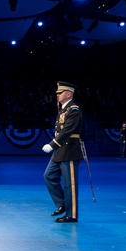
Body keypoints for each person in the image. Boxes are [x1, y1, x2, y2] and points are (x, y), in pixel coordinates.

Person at [42, 81, 84, 223]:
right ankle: (62, 204)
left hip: (70, 149)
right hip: (61, 150)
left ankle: (72, 215)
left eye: (60, 93)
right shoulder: (63, 110)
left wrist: (52, 145)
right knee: (49, 176)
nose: (57, 95)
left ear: (69, 94)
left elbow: (67, 130)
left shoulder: (74, 109)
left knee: (70, 183)